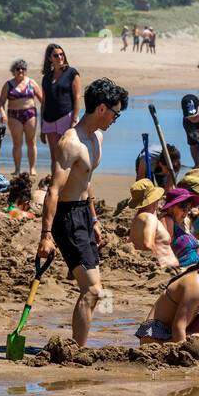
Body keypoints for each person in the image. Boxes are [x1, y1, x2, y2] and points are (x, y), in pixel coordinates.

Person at [37, 77, 128, 347]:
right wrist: (45, 235)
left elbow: (86, 182)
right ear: (102, 109)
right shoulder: (71, 143)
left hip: (85, 216)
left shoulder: (96, 138)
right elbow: (53, 190)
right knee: (93, 290)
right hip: (66, 218)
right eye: (115, 113)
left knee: (91, 290)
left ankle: (78, 346)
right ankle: (77, 350)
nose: (115, 119)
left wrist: (95, 219)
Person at [135, 230, 199, 344]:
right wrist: (184, 354)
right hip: (156, 338)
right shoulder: (197, 285)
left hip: (173, 333)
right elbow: (178, 327)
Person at [40, 43, 81, 174]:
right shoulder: (46, 78)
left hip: (66, 118)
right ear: (50, 58)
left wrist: (74, 120)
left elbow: (77, 97)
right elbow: (44, 102)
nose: (60, 57)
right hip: (49, 120)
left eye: (61, 54)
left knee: (68, 155)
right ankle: (55, 185)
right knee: (55, 157)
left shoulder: (71, 73)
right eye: (56, 55)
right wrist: (42, 126)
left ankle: (69, 186)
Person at [0, 58, 41, 175]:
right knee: (17, 143)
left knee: (31, 141)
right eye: (18, 69)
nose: (21, 71)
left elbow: (43, 100)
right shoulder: (8, 84)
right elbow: (1, 102)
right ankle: (17, 168)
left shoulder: (31, 83)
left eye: (23, 69)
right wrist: (3, 113)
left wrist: (48, 113)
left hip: (30, 114)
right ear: (13, 71)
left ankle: (32, 168)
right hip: (14, 115)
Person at [127, 179, 175, 266]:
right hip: (165, 268)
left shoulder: (138, 218)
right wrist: (157, 266)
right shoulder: (150, 218)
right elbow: (148, 245)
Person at [159, 187, 199, 267]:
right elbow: (163, 248)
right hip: (185, 268)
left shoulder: (184, 222)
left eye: (188, 209)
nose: (185, 214)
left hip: (196, 266)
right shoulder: (167, 220)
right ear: (171, 207)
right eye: (183, 209)